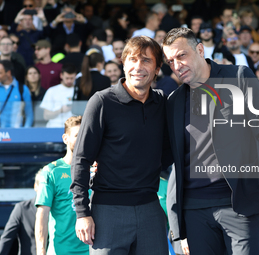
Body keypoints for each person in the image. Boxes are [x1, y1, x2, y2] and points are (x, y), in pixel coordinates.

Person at [162, 27, 259, 255]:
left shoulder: (238, 77)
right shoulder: (174, 101)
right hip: (194, 211)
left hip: (240, 205)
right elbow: (161, 154)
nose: (177, 65)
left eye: (181, 55)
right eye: (170, 61)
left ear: (200, 49)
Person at [70, 35, 171, 255]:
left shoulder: (162, 103)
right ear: (123, 64)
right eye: (132, 60)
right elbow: (81, 159)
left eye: (146, 60)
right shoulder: (102, 102)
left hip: (151, 210)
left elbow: (168, 153)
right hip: (107, 211)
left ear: (157, 68)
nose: (138, 66)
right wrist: (82, 213)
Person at [35, 116, 89, 255]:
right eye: (77, 135)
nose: (82, 139)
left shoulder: (98, 169)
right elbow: (42, 214)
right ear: (65, 138)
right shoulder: (52, 171)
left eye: (85, 134)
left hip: (94, 250)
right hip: (62, 251)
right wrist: (41, 251)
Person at [0, 169, 42, 255]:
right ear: (35, 186)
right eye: (43, 186)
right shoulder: (22, 209)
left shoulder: (59, 209)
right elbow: (7, 238)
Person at [40, 63, 77, 128]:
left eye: (72, 78)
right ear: (61, 75)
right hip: (55, 127)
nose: (69, 81)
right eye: (67, 78)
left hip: (73, 129)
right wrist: (61, 110)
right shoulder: (52, 90)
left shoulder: (78, 90)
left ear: (75, 76)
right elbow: (46, 116)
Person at [0, 60, 33, 128]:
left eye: (0, 73)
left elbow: (29, 114)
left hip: (17, 132)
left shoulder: (23, 89)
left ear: (8, 73)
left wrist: (24, 132)